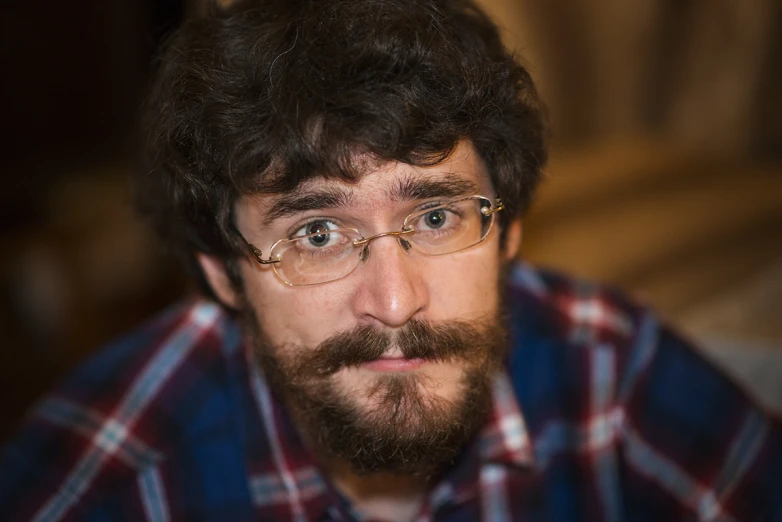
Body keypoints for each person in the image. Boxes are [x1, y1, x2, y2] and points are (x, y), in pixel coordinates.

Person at [1, 0, 780, 520]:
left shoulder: (611, 373)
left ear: (508, 235)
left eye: (436, 216)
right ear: (221, 273)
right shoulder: (106, 485)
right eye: (316, 234)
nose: (397, 302)